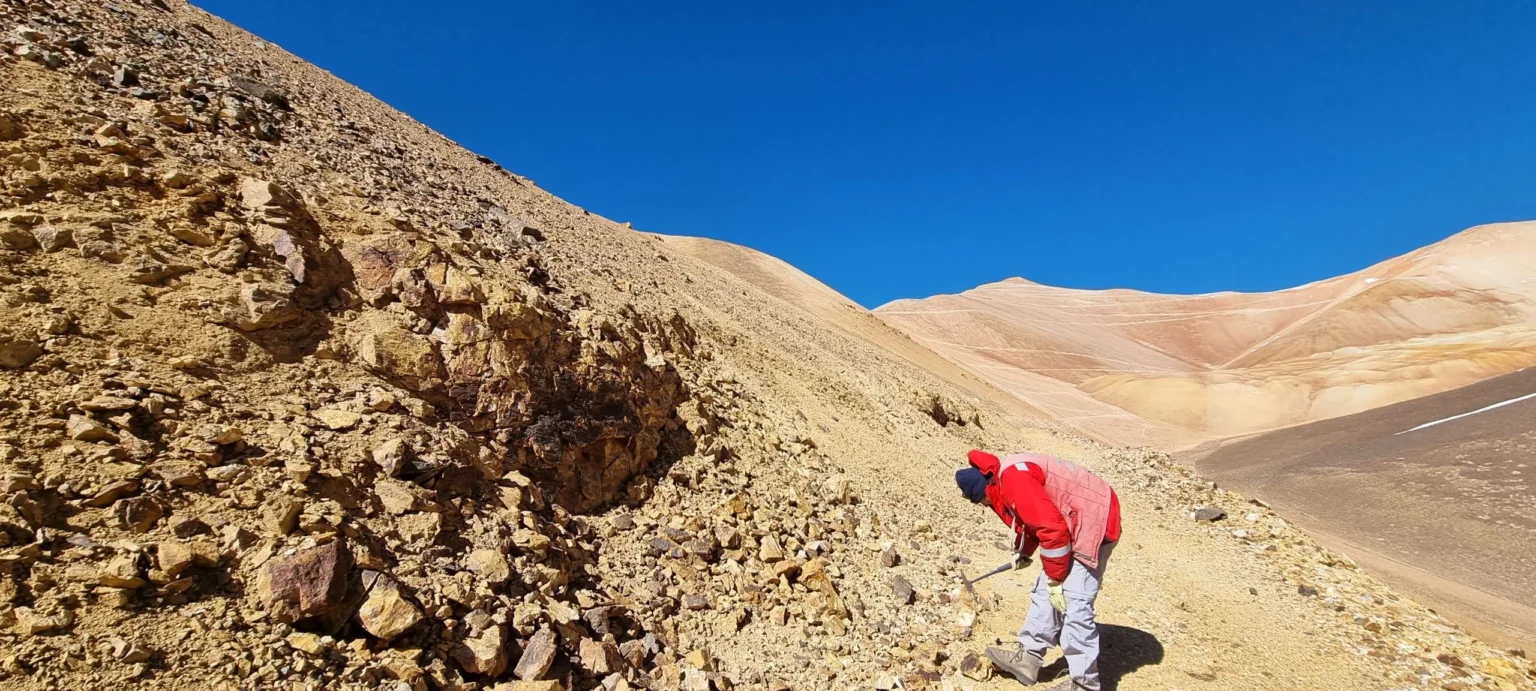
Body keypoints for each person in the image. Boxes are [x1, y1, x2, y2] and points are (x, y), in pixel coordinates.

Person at [956, 450, 1121, 691]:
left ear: (981, 492)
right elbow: (1031, 519)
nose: (983, 505)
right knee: (1044, 593)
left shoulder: (1012, 481)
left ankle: (1085, 684)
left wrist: (1056, 579)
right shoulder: (1002, 479)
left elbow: (1053, 531)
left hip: (1095, 518)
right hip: (1072, 517)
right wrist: (1023, 552)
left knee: (1074, 599)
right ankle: (1028, 659)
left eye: (979, 501)